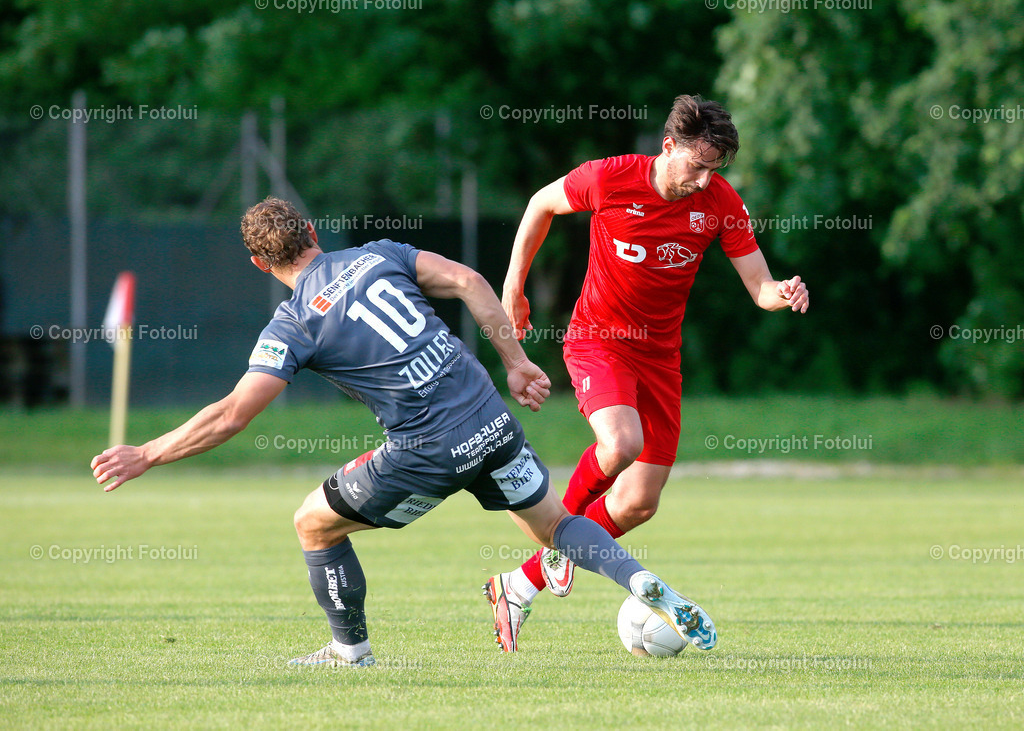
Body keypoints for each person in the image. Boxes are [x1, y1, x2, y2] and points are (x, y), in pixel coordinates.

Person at [90, 196, 718, 667]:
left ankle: (349, 652)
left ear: (260, 264)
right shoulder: (378, 254)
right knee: (553, 523)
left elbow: (233, 414)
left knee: (313, 522)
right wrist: (518, 363)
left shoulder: (291, 325)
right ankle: (636, 578)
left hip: (426, 450)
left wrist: (147, 452)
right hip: (491, 418)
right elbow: (471, 282)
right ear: (312, 231)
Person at [487, 95, 810, 651]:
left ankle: (518, 584)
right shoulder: (610, 179)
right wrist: (514, 287)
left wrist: (781, 293)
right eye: (698, 164)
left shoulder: (721, 203)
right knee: (620, 443)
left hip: (660, 358)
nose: (706, 179)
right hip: (598, 341)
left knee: (639, 502)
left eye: (716, 169)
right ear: (668, 147)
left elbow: (758, 286)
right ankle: (561, 542)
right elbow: (540, 203)